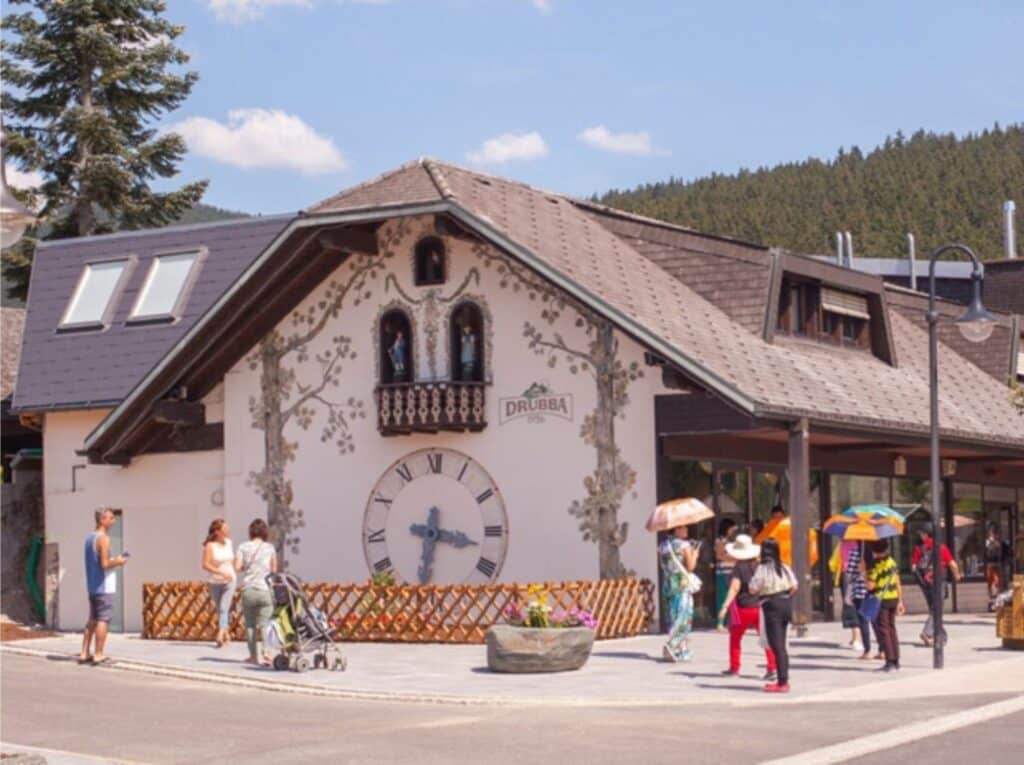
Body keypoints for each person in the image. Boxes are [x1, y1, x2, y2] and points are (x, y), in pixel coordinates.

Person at [717, 534, 778, 681]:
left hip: (743, 608)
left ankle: (734, 667)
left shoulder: (738, 568)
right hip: (760, 607)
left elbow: (734, 588)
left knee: (735, 638)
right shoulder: (760, 566)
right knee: (766, 639)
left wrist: (724, 606)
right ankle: (772, 668)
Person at [79, 508, 128, 665]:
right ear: (102, 520)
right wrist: (119, 561)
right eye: (111, 518)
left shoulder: (88, 538)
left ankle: (84, 652)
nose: (113, 521)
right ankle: (98, 654)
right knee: (103, 619)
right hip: (104, 585)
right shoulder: (103, 539)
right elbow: (105, 563)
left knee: (92, 619)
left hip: (92, 585)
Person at [749, 538, 797, 693]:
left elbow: (753, 588)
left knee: (777, 646)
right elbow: (794, 586)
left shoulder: (762, 568)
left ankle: (783, 682)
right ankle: (783, 679)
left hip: (772, 606)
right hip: (786, 604)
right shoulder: (784, 567)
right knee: (782, 643)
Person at [234, 518, 278, 665]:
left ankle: (253, 656)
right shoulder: (270, 548)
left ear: (251, 532)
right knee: (265, 623)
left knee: (250, 624)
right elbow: (274, 570)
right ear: (265, 532)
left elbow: (237, 567)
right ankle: (267, 654)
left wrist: (246, 567)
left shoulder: (243, 547)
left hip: (249, 590)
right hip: (265, 589)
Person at [911, 523, 962, 647]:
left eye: (921, 533)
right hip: (938, 582)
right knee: (936, 611)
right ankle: (927, 632)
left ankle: (941, 637)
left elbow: (913, 567)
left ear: (926, 534)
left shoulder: (918, 548)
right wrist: (957, 575)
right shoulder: (941, 547)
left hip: (925, 583)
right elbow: (952, 564)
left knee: (934, 611)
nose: (920, 535)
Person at [659, 524, 700, 663]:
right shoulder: (684, 545)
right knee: (684, 616)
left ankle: (681, 650)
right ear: (676, 529)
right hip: (681, 585)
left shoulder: (663, 546)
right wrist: (695, 554)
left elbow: (664, 565)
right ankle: (672, 645)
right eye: (683, 527)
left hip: (668, 584)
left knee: (672, 616)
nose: (686, 530)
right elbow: (691, 567)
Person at [866, 539, 905, 672]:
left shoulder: (875, 565)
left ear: (874, 550)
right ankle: (896, 660)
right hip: (893, 597)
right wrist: (900, 601)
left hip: (881, 600)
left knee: (883, 630)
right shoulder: (892, 561)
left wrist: (863, 572)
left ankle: (890, 661)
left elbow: (870, 586)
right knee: (892, 628)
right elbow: (898, 582)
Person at [202, 518, 236, 648]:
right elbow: (205, 565)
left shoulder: (229, 543)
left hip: (229, 581)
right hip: (215, 582)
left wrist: (232, 571)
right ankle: (227, 634)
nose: (227, 531)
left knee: (223, 608)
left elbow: (231, 560)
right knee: (220, 610)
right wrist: (220, 573)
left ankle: (220, 633)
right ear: (217, 531)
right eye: (224, 529)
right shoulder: (210, 546)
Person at [714, 518, 738, 629]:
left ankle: (731, 621)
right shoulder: (720, 541)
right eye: (731, 528)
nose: (733, 531)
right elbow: (719, 556)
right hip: (723, 572)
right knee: (723, 597)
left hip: (731, 571)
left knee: (731, 596)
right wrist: (734, 558)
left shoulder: (729, 541)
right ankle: (720, 622)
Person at [983, 523, 1011, 609]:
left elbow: (1002, 549)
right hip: (990, 563)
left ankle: (997, 596)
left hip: (998, 563)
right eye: (991, 532)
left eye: (993, 532)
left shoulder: (1000, 542)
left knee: (997, 581)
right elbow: (986, 550)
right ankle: (992, 598)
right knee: (991, 581)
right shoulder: (987, 542)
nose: (992, 534)